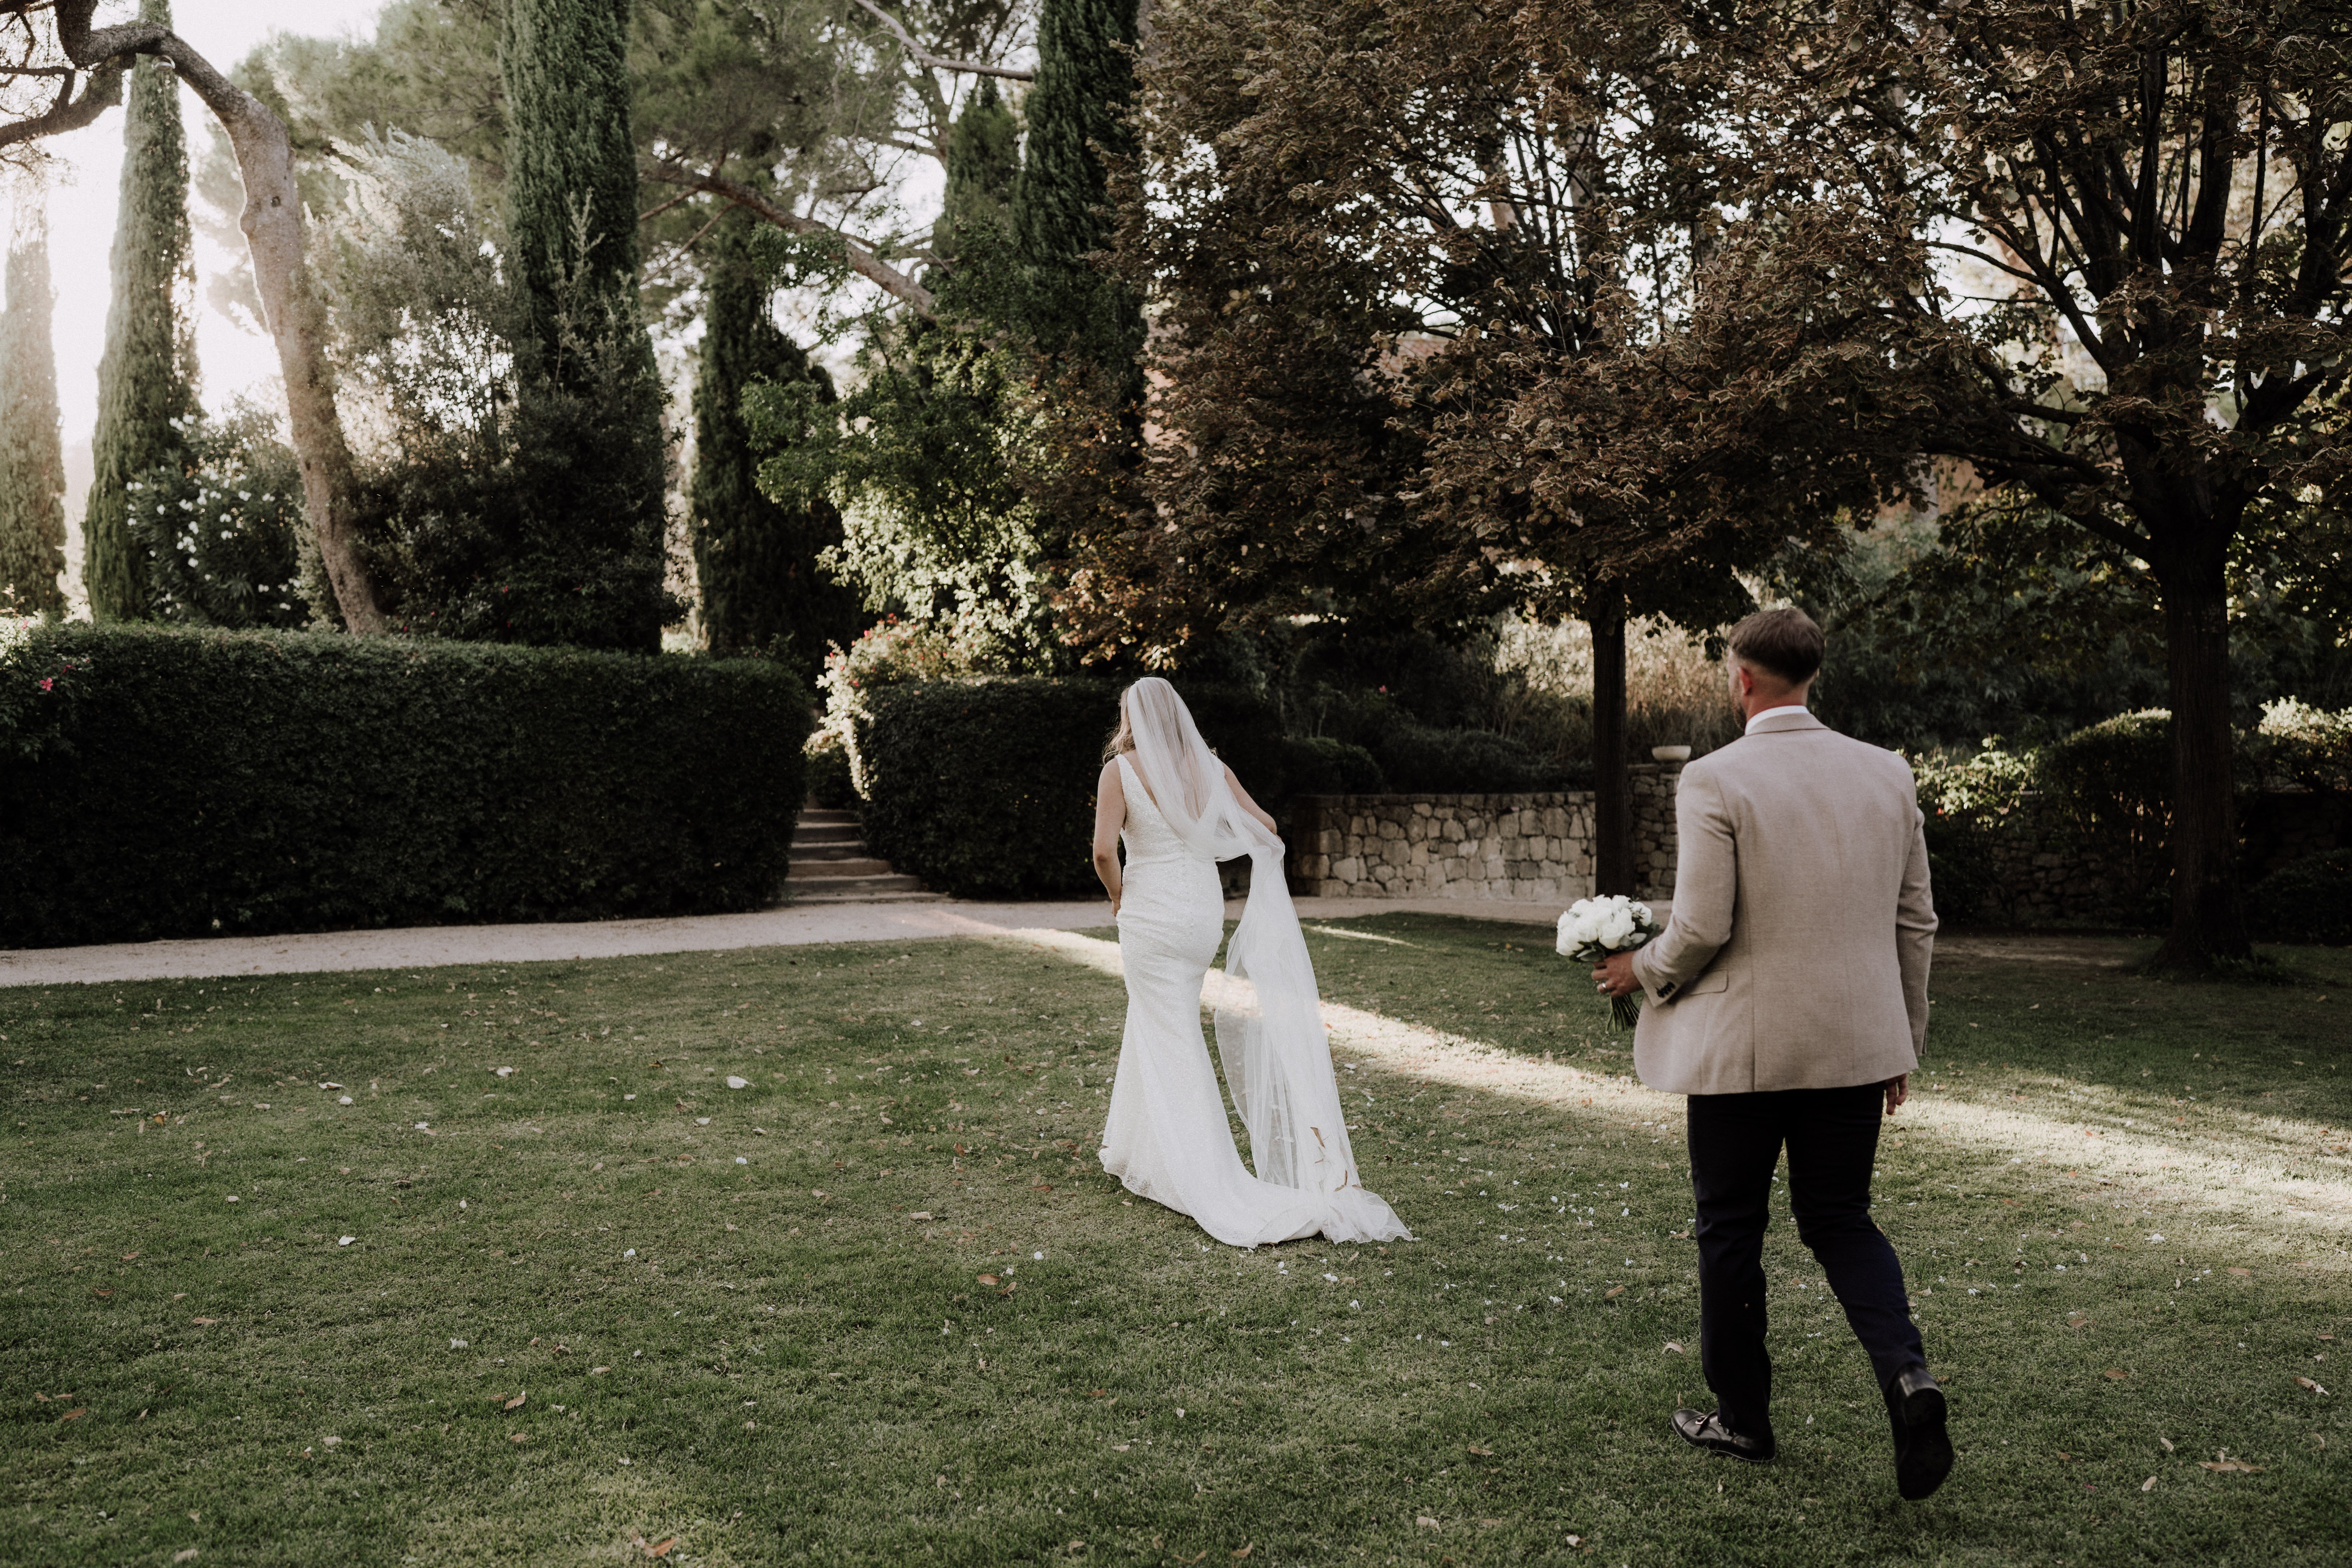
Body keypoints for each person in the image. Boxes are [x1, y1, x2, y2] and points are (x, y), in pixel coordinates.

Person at [1591, 607, 1951, 1501]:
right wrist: (1903, 1037)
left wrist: (1642, 968)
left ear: (1741, 678)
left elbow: (1703, 924)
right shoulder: (1887, 772)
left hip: (1742, 1056)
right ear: (1810, 675)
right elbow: (1916, 920)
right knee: (1840, 1219)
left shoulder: (1716, 778)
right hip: (1854, 1046)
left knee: (1730, 1228)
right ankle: (1906, 1375)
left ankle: (1745, 1419)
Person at [1090, 677, 1410, 1247]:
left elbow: (1102, 851)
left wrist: (1118, 896)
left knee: (1172, 1032)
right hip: (1200, 914)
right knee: (1160, 1018)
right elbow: (1265, 826)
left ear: (1131, 716)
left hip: (1151, 913)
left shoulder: (1120, 770)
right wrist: (1211, 837)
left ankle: (1205, 1175)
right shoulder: (1209, 766)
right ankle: (1132, 1147)